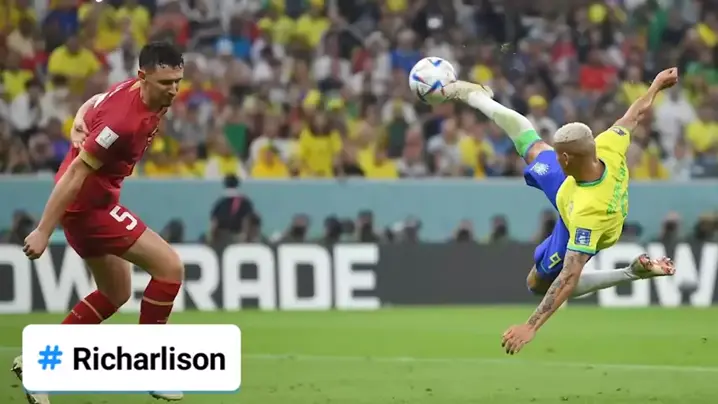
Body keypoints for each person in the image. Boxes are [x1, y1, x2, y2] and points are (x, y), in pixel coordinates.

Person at [444, 68, 680, 355]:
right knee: (530, 145)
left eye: (557, 154)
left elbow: (569, 277)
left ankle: (630, 273)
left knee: (537, 283)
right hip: (574, 185)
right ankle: (477, 97)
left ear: (565, 158)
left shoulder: (587, 216)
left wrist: (531, 326)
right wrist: (656, 86)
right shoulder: (608, 145)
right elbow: (634, 115)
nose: (553, 157)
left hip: (583, 217)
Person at [15, 42, 186, 403]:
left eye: (177, 81)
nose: (173, 90)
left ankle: (37, 365)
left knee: (115, 293)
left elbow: (94, 102)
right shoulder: (123, 124)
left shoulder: (136, 91)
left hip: (94, 202)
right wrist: (44, 230)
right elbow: (76, 173)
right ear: (143, 77)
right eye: (165, 82)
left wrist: (78, 121)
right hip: (90, 207)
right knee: (170, 268)